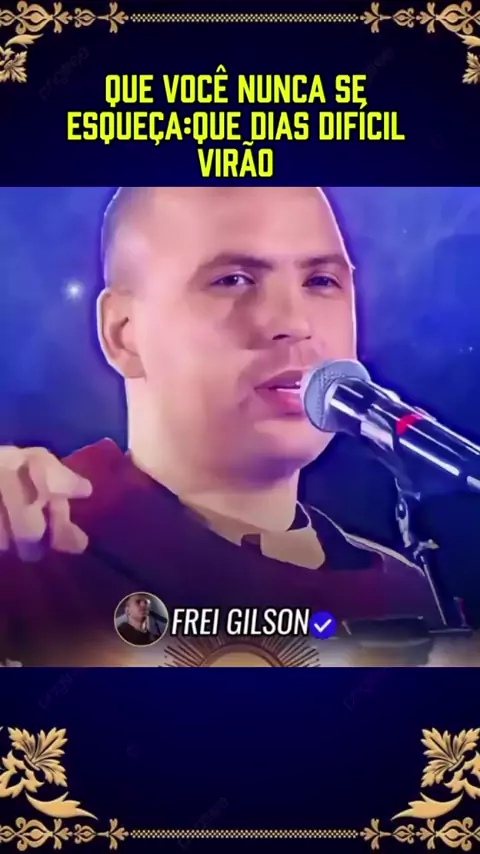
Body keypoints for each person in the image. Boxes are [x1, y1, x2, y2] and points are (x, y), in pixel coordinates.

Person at [0, 187, 454, 666]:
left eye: (321, 280)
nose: (294, 322)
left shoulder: (407, 597)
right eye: (233, 279)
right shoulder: (32, 555)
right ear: (124, 333)